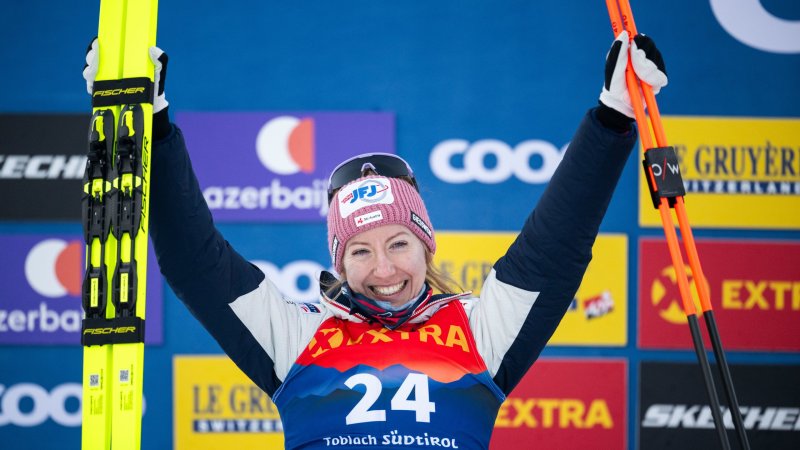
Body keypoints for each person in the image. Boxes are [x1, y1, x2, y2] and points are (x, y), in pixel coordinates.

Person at [84, 30, 666, 449]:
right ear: (338, 258)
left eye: (398, 245)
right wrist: (149, 124)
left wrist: (615, 114)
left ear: (426, 247)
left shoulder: (479, 330)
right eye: (359, 251)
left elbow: (553, 252)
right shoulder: (300, 334)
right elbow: (196, 264)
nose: (382, 268)